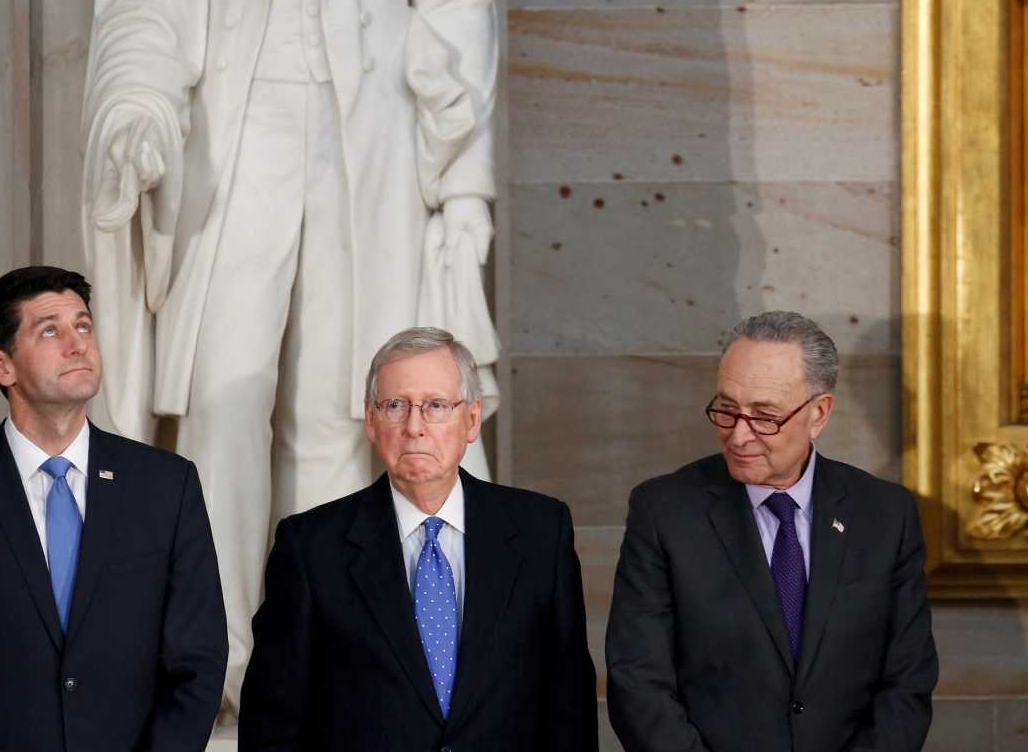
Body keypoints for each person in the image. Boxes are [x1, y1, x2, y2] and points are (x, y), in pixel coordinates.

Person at [79, 0, 499, 710]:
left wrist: (464, 185)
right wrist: (135, 110)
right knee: (223, 400)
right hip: (232, 136)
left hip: (375, 148)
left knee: (346, 414)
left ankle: (322, 665)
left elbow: (459, 14)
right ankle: (214, 666)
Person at [0, 266, 226, 752]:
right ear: (2, 366)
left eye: (83, 326)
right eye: (50, 331)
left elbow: (199, 662)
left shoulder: (167, 486)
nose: (77, 344)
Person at [239, 327, 598, 750]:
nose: (414, 426)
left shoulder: (542, 532)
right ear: (371, 420)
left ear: (472, 418)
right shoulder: (310, 547)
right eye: (395, 405)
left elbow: (569, 708)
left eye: (436, 406)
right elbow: (271, 725)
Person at [606, 311, 938, 752]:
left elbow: (907, 684)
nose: (739, 436)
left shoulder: (884, 514)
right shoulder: (664, 511)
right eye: (726, 409)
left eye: (765, 417)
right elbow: (638, 683)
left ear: (818, 414)